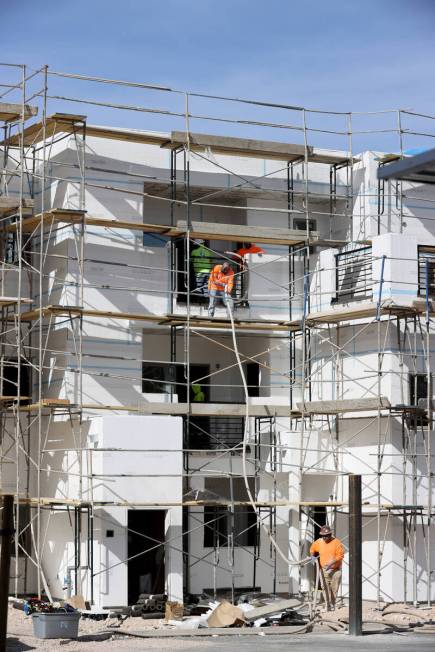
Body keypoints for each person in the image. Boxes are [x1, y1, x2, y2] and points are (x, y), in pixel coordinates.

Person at [310, 525, 345, 608]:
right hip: (324, 570)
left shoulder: (336, 542)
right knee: (325, 588)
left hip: (335, 570)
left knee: (334, 589)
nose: (325, 537)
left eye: (327, 535)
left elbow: (340, 555)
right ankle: (327, 604)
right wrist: (312, 556)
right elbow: (312, 549)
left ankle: (332, 604)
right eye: (323, 536)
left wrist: (331, 563)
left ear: (330, 534)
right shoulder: (319, 542)